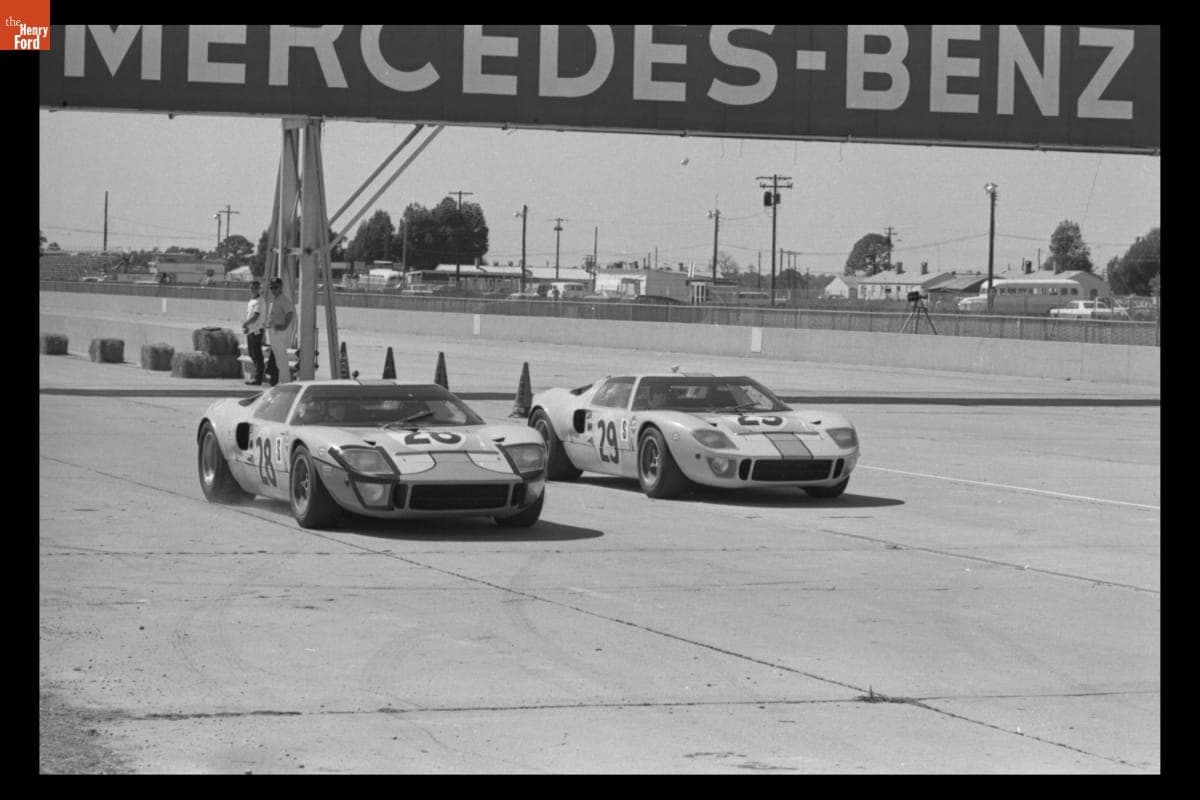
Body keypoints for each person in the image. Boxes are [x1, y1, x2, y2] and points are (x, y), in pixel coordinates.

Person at [266, 277, 295, 385]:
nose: (273, 290)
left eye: (275, 287)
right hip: (273, 331)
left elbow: (290, 313)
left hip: (278, 331)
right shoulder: (276, 299)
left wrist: (284, 326)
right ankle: (282, 381)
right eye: (271, 288)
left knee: (281, 357)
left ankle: (286, 381)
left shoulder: (283, 299)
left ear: (281, 287)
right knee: (278, 358)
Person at [240, 281, 268, 386]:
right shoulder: (251, 300)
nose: (253, 289)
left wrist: (245, 324)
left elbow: (256, 316)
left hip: (257, 330)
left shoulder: (260, 301)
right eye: (251, 288)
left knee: (257, 354)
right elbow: (249, 315)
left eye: (255, 288)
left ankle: (258, 378)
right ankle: (257, 374)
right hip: (251, 330)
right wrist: (247, 327)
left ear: (259, 288)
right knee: (252, 353)